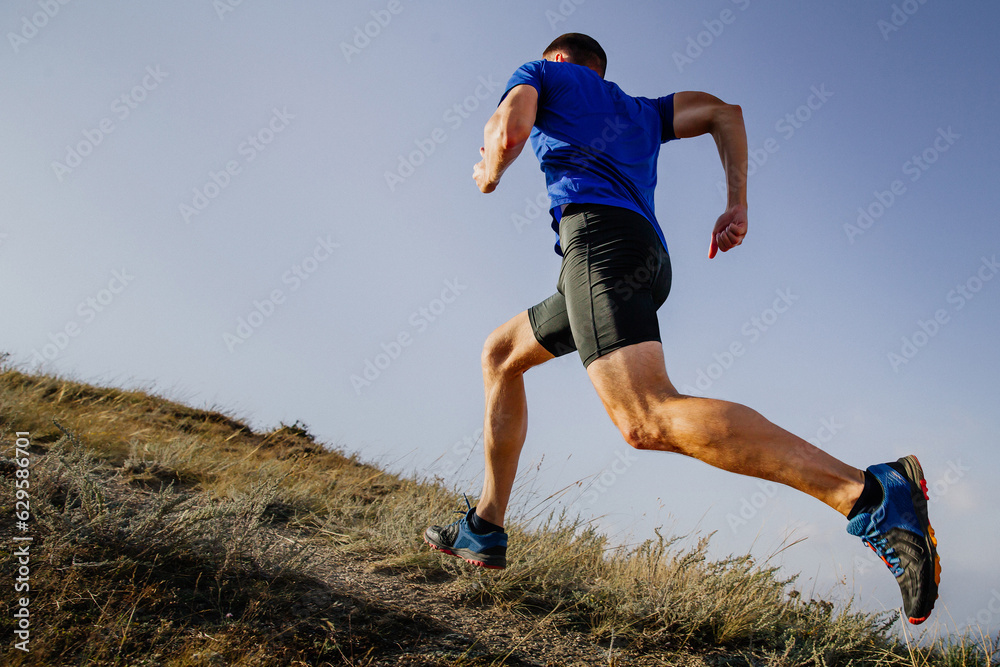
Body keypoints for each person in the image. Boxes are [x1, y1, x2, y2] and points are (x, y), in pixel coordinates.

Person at [423, 33, 939, 624]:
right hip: (643, 258)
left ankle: (869, 496)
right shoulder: (643, 111)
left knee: (644, 417)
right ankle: (486, 525)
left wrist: (489, 170)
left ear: (561, 59)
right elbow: (726, 113)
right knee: (500, 354)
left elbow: (508, 129)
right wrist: (737, 203)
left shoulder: (544, 72)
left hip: (599, 248)